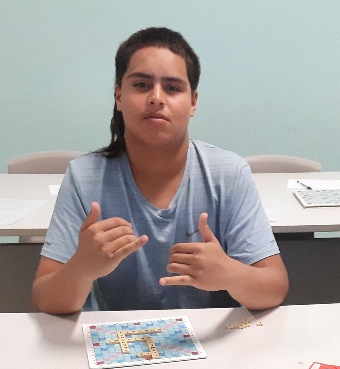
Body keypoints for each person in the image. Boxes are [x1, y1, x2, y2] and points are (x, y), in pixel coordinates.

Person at [33, 27, 288, 314]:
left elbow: (275, 288)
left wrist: (230, 273)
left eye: (173, 88)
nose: (156, 98)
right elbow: (46, 299)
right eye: (141, 85)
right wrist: (82, 268)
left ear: (193, 102)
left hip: (208, 338)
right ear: (119, 96)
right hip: (115, 336)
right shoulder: (84, 176)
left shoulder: (228, 173)